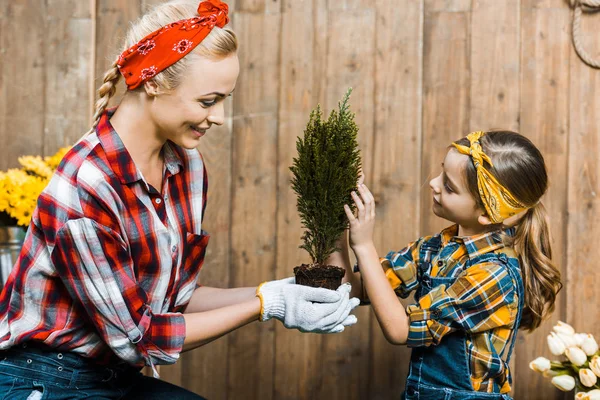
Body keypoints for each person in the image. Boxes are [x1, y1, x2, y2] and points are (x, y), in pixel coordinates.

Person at [0, 1, 358, 398]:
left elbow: (176, 300)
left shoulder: (187, 168)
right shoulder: (85, 189)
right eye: (208, 101)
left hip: (114, 378)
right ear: (152, 82)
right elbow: (140, 340)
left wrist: (283, 290)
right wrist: (265, 305)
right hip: (42, 379)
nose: (220, 117)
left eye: (224, 99)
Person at [333, 131, 562, 399]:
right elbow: (353, 290)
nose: (433, 183)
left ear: (488, 213)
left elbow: (400, 330)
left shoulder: (494, 275)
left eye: (449, 186)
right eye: (441, 173)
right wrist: (339, 225)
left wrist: (363, 246)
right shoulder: (433, 249)